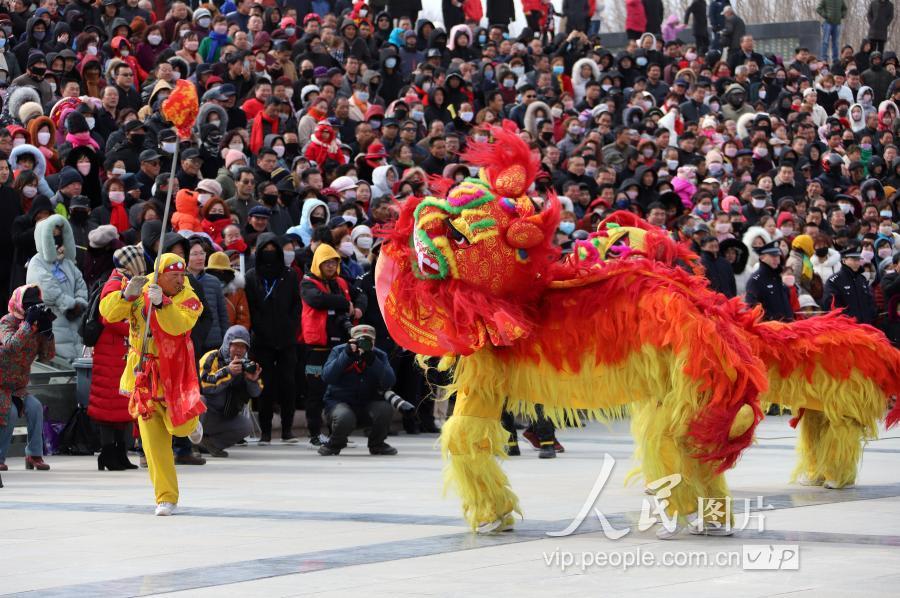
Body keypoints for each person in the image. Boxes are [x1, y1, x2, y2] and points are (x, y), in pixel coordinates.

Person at [99, 253, 206, 516]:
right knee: (153, 442)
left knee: (179, 426)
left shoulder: (189, 298)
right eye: (174, 276)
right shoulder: (141, 287)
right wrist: (126, 296)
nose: (180, 281)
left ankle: (192, 423)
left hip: (174, 372)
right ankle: (165, 497)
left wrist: (163, 304)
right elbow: (109, 315)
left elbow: (177, 326)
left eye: (182, 276)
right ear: (159, 275)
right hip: (143, 373)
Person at [88, 246, 146, 471]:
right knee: (108, 407)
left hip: (118, 352)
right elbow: (109, 318)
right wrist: (135, 326)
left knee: (121, 405)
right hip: (110, 353)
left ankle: (119, 453)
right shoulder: (115, 283)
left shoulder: (126, 280)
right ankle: (108, 452)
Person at [245, 233, 301, 444]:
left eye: (273, 250)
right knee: (265, 386)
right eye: (265, 251)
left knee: (288, 384)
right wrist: (259, 329)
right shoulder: (252, 276)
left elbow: (297, 304)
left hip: (286, 340)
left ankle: (287, 429)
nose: (270, 254)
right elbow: (250, 307)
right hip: (262, 340)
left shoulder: (289, 275)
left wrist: (291, 326)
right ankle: (266, 431)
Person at [301, 243, 356, 447]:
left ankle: (338, 432)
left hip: (339, 347)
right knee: (315, 390)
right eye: (327, 262)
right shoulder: (308, 283)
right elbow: (317, 300)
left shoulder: (341, 282)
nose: (331, 266)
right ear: (318, 264)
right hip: (316, 348)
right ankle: (315, 433)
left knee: (339, 390)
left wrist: (357, 307)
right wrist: (344, 303)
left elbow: (360, 295)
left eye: (334, 262)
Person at [318, 325, 397, 456]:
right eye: (361, 340)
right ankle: (335, 444)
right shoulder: (339, 351)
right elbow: (327, 376)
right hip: (339, 403)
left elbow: (390, 381)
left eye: (368, 341)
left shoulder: (379, 355)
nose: (364, 344)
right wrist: (346, 355)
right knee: (344, 416)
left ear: (374, 341)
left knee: (385, 409)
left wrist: (373, 361)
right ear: (352, 340)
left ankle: (377, 444)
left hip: (367, 404)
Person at [0, 285, 56, 472]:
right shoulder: (6, 322)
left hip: (19, 386)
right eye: (29, 306)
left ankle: (33, 455)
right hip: (1, 385)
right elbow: (10, 347)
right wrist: (26, 325)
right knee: (10, 413)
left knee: (35, 408)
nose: (31, 310)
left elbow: (47, 356)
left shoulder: (34, 325)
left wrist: (48, 333)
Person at [25, 214, 89, 364]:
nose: (57, 239)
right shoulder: (37, 262)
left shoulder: (67, 262)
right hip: (52, 319)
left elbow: (80, 283)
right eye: (52, 235)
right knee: (57, 361)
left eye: (60, 234)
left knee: (75, 357)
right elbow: (45, 287)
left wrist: (79, 303)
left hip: (75, 320)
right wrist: (68, 305)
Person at [198, 325, 261, 457]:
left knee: (246, 425)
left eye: (243, 346)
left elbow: (256, 393)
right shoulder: (211, 357)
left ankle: (211, 444)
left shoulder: (246, 365)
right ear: (227, 344)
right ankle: (191, 443)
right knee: (199, 400)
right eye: (235, 345)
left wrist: (252, 380)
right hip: (204, 413)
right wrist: (228, 372)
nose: (239, 350)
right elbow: (204, 384)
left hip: (222, 417)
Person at [821, 246, 877, 324]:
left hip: (866, 325)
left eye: (858, 260)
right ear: (844, 261)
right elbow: (831, 305)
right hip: (847, 327)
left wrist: (871, 316)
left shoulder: (862, 279)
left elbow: (870, 301)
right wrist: (846, 320)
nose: (857, 263)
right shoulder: (834, 281)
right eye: (854, 260)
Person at [745, 240, 794, 322]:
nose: (776, 259)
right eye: (772, 256)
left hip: (786, 327)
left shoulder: (777, 277)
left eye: (777, 256)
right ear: (762, 257)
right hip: (770, 330)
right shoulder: (755, 280)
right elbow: (752, 309)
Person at [816, 0, 847, 65]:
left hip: (837, 23)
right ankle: (824, 58)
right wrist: (826, 15)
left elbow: (845, 8)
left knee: (835, 42)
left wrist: (842, 15)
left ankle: (835, 59)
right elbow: (818, 8)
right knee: (825, 41)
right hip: (827, 23)